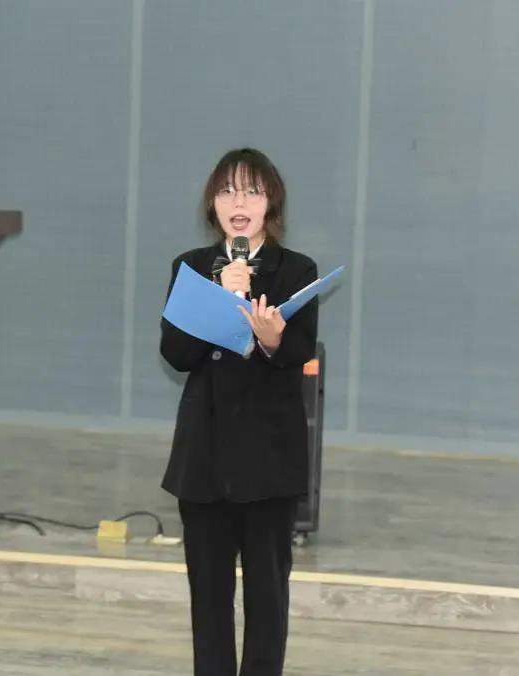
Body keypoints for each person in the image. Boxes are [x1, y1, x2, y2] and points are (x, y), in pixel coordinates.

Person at [159, 147, 319, 676]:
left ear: (271, 202)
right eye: (227, 192)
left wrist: (273, 340)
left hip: (269, 458)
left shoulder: (296, 269)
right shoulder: (190, 267)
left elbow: (299, 352)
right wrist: (217, 299)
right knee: (208, 599)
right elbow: (175, 353)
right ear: (213, 203)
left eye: (252, 191)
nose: (239, 203)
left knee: (267, 598)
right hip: (204, 457)